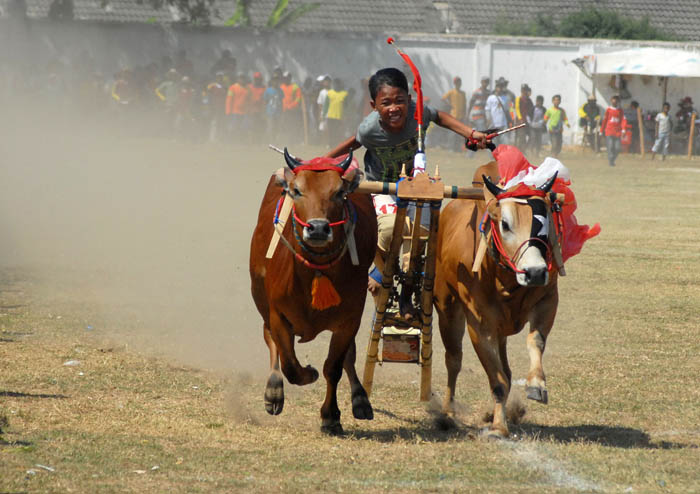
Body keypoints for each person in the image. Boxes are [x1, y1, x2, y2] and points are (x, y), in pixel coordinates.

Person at [324, 68, 489, 297]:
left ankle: (407, 284)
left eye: (399, 101)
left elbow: (439, 117)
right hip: (381, 187)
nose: (394, 108)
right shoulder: (369, 129)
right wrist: (322, 162)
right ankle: (382, 271)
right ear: (374, 106)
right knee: (390, 228)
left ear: (409, 100)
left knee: (424, 230)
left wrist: (470, 133)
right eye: (386, 103)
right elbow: (353, 143)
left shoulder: (417, 113)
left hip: (415, 184)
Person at [441, 76, 467, 152]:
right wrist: (449, 105)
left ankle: (457, 148)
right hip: (453, 115)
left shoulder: (463, 93)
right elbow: (443, 99)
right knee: (452, 133)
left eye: (459, 82)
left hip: (461, 115)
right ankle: (450, 148)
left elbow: (465, 104)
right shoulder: (451, 92)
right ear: (454, 83)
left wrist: (465, 114)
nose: (458, 84)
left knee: (460, 133)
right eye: (456, 82)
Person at [600, 94, 626, 167]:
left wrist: (623, 130)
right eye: (613, 100)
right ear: (611, 101)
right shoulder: (608, 110)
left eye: (616, 100)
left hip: (617, 132)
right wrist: (601, 130)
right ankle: (610, 161)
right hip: (609, 131)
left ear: (617, 101)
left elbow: (623, 120)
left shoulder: (620, 110)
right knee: (610, 146)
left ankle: (612, 159)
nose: (614, 101)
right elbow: (605, 120)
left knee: (618, 148)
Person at [325, 78, 349, 149]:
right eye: (335, 84)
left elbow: (346, 106)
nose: (336, 85)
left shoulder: (344, 94)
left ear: (340, 85)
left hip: (339, 116)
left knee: (337, 131)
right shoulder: (329, 93)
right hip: (330, 116)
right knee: (331, 131)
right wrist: (323, 114)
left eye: (338, 84)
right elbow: (326, 105)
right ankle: (330, 144)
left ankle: (336, 144)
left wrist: (346, 115)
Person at [226, 73, 250, 140]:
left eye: (243, 78)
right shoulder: (232, 87)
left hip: (244, 112)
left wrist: (249, 110)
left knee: (244, 128)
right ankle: (231, 141)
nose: (242, 80)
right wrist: (228, 111)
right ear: (238, 79)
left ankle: (241, 141)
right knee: (233, 127)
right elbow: (229, 100)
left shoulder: (247, 88)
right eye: (240, 78)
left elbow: (249, 100)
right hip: (234, 112)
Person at [263, 76, 283, 142]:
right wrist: (264, 111)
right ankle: (270, 141)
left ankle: (276, 140)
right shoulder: (268, 90)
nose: (275, 82)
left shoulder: (280, 91)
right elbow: (265, 101)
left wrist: (282, 111)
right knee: (270, 127)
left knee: (277, 127)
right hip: (270, 112)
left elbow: (282, 101)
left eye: (277, 81)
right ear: (272, 82)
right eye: (274, 81)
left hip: (278, 112)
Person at [515, 83, 533, 151]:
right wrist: (520, 118)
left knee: (531, 136)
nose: (525, 91)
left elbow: (531, 110)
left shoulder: (529, 100)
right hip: (520, 122)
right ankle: (520, 151)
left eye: (526, 90)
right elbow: (517, 109)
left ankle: (523, 149)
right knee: (522, 137)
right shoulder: (518, 99)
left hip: (527, 122)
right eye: (523, 90)